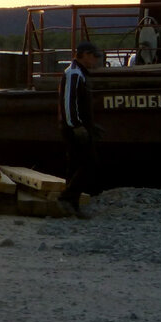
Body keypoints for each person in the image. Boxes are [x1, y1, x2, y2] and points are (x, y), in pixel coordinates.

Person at [58, 41, 103, 216]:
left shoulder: (78, 74)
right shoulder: (74, 74)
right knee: (89, 164)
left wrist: (91, 126)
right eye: (93, 56)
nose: (96, 60)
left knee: (75, 164)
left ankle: (71, 205)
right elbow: (69, 103)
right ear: (84, 55)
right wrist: (77, 126)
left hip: (77, 127)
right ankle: (67, 198)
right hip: (74, 129)